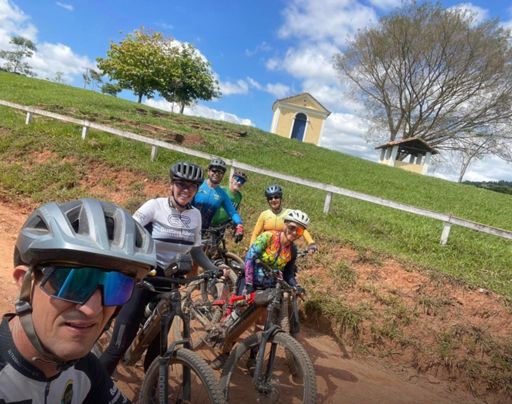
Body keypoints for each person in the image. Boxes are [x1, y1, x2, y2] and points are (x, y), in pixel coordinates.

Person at [0, 198, 156, 403]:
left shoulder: (86, 369)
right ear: (25, 283)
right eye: (71, 282)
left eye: (117, 286)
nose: (92, 310)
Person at [99, 162, 223, 376]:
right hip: (145, 278)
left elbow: (196, 250)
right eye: (181, 184)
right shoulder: (154, 206)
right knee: (118, 347)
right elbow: (128, 232)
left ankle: (153, 387)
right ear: (171, 185)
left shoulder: (195, 215)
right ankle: (92, 387)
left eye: (192, 186)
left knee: (158, 349)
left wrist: (215, 269)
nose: (186, 190)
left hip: (171, 282)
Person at [241, 209, 310, 294]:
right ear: (285, 224)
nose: (294, 232)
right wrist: (249, 283)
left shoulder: (293, 250)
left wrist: (296, 285)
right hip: (250, 282)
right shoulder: (268, 237)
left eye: (299, 231)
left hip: (270, 288)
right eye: (292, 227)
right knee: (241, 301)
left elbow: (288, 273)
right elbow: (250, 258)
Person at [250, 184, 317, 254]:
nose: (273, 200)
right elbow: (255, 234)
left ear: (281, 198)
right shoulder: (264, 214)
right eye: (270, 198)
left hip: (284, 249)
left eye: (276, 197)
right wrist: (251, 249)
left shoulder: (289, 214)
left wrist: (311, 242)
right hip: (266, 248)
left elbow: (301, 228)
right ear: (268, 201)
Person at [193, 157, 244, 242]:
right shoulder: (198, 185)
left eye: (220, 172)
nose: (216, 174)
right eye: (214, 170)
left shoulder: (222, 194)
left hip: (203, 232)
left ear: (223, 175)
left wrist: (239, 225)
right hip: (187, 226)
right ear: (208, 171)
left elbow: (232, 212)